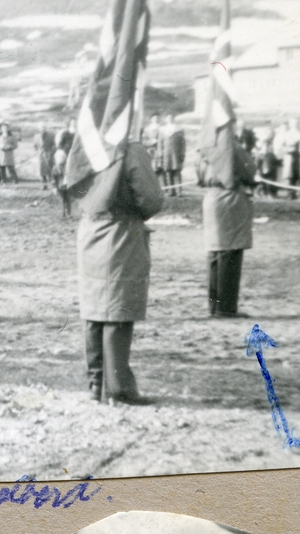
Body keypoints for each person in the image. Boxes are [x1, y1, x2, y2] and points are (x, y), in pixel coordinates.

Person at [76, 140, 164, 405]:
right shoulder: (129, 148)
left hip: (90, 230)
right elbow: (151, 199)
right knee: (118, 308)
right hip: (120, 231)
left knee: (94, 309)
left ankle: (96, 384)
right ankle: (119, 389)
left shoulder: (84, 141)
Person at [199, 129, 256, 317]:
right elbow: (250, 172)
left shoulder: (206, 149)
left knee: (216, 254)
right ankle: (226, 308)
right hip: (229, 199)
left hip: (211, 198)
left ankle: (215, 307)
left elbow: (199, 175)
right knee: (230, 254)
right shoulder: (234, 148)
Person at [160, 115, 186, 196]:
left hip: (176, 154)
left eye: (171, 118)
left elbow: (183, 143)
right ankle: (170, 191)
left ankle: (179, 191)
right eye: (168, 118)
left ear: (174, 119)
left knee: (176, 172)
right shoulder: (162, 130)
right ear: (166, 119)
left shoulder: (179, 129)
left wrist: (182, 153)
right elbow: (160, 143)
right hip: (166, 154)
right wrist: (160, 153)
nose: (170, 119)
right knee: (167, 172)